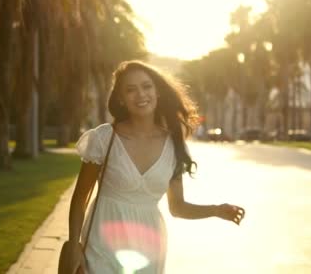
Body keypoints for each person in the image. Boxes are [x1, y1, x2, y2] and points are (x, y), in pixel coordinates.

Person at [67, 60, 245, 273]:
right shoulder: (104, 139)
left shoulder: (174, 145)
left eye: (146, 86)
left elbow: (177, 207)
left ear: (157, 91)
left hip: (149, 249)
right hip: (101, 243)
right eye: (130, 90)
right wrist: (73, 245)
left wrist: (216, 210)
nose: (141, 94)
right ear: (121, 99)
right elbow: (80, 198)